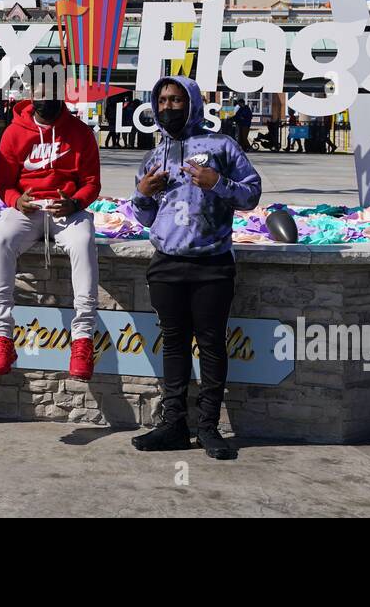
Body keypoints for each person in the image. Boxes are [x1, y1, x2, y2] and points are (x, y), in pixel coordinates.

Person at [129, 76, 262, 460]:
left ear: (192, 102)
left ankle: (207, 427)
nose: (169, 106)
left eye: (176, 99)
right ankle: (173, 424)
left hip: (212, 264)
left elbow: (251, 194)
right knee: (173, 343)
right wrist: (142, 194)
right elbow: (143, 216)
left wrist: (217, 182)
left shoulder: (222, 145)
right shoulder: (155, 155)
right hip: (167, 263)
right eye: (163, 100)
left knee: (211, 344)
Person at [0, 80, 101, 380]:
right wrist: (16, 200)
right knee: (1, 238)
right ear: (30, 95)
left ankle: (83, 338)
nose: (44, 98)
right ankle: (1, 337)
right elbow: (4, 184)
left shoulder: (80, 132)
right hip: (29, 208)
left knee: (84, 241)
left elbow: (92, 182)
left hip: (66, 209)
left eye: (50, 92)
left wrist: (75, 203)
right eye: (38, 92)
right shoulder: (15, 132)